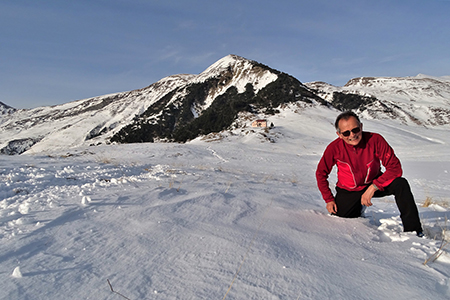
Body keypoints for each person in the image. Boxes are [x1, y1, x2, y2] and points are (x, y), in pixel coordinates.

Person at [315, 111, 423, 236]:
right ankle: (358, 208)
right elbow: (321, 174)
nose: (352, 135)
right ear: (339, 134)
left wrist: (374, 186)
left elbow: (395, 167)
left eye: (355, 130)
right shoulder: (334, 148)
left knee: (401, 184)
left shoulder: (375, 140)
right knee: (341, 218)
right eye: (346, 133)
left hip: (374, 183)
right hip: (349, 190)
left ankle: (414, 231)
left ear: (361, 127)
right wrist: (328, 199)